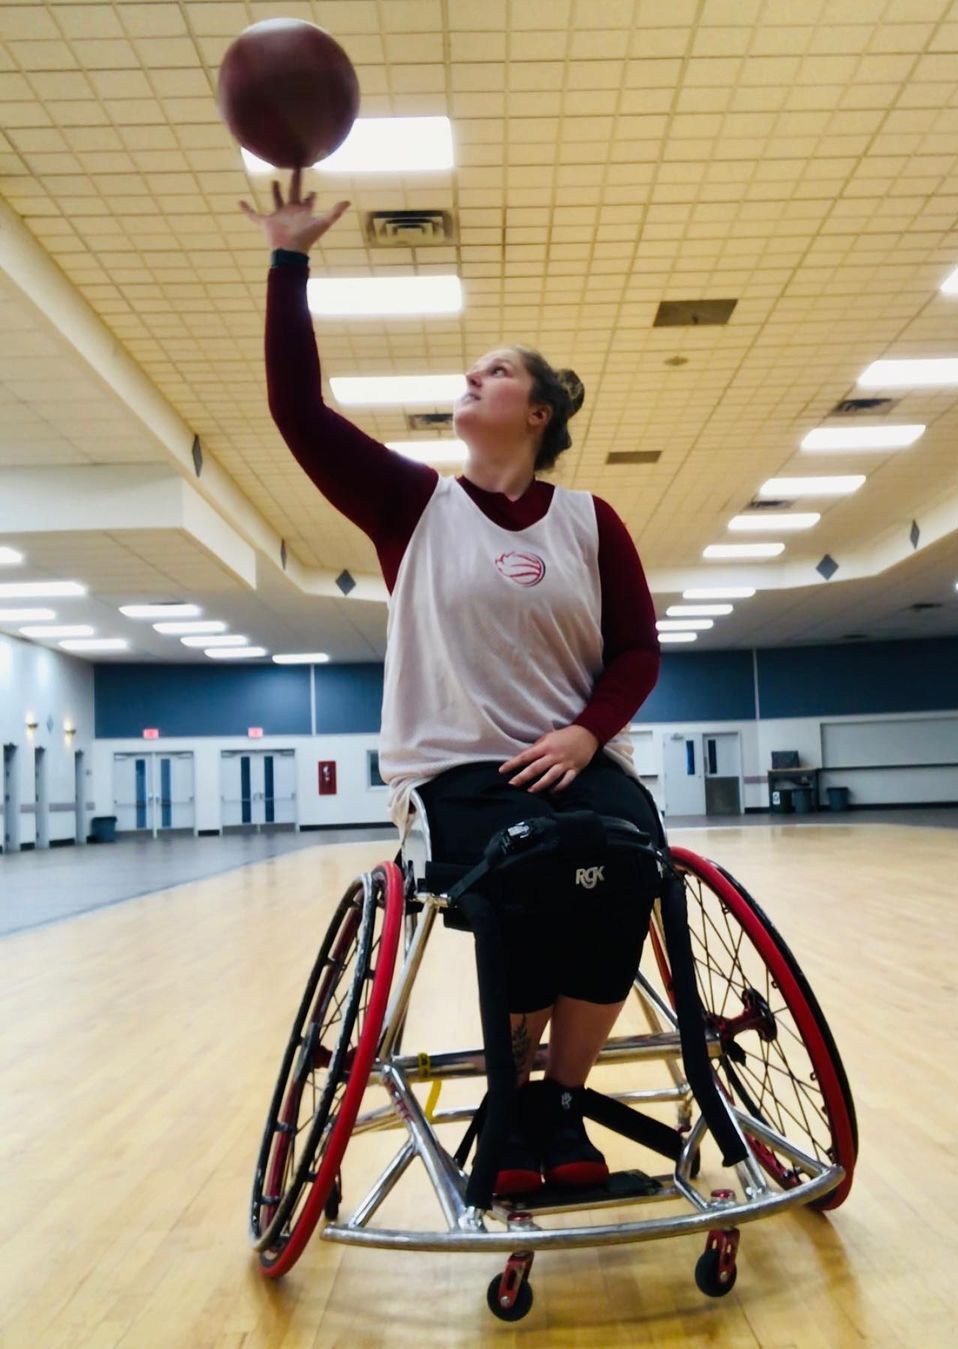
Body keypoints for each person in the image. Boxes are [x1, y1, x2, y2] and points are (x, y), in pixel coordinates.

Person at [242, 171, 664, 1195]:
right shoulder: (412, 505)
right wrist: (289, 259)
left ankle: (557, 1097)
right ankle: (511, 1098)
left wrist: (585, 733)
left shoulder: (590, 520)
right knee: (518, 884)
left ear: (541, 409)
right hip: (455, 774)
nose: (471, 379)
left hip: (570, 762)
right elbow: (298, 411)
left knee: (629, 860)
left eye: (496, 371)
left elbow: (639, 649)